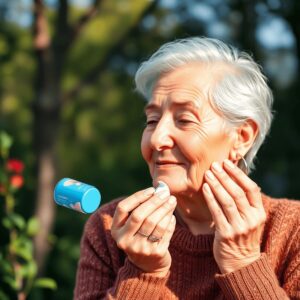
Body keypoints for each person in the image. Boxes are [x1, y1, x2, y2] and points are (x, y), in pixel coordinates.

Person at [74, 37, 300, 299]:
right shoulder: (109, 228)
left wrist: (244, 263)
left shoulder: (292, 231)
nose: (157, 139)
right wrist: (142, 274)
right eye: (152, 120)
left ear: (242, 137)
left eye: (184, 120)